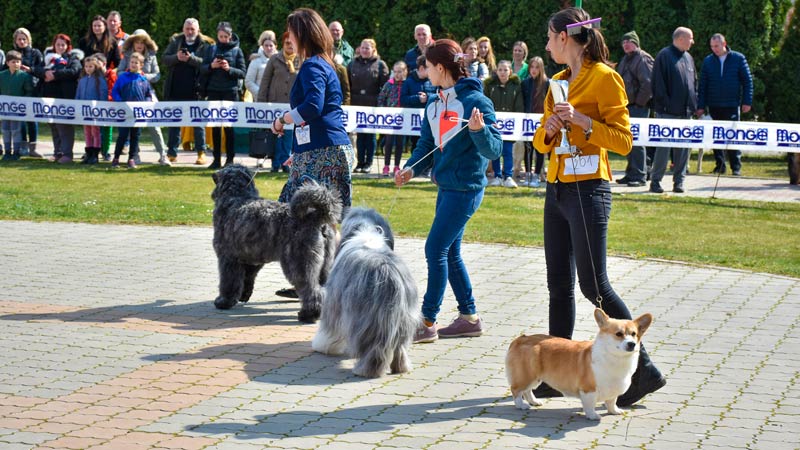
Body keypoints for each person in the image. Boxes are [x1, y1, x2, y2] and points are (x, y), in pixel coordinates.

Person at [532, 7, 666, 406]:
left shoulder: (606, 77)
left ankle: (644, 371)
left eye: (549, 37)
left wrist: (582, 122)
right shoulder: (557, 82)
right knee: (558, 285)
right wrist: (550, 130)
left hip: (590, 190)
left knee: (594, 285)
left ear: (565, 38)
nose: (547, 45)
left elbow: (624, 141)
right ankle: (554, 373)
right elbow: (539, 142)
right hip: (557, 189)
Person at [394, 39, 502, 343]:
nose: (425, 71)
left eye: (428, 66)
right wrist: (410, 169)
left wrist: (479, 131)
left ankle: (427, 321)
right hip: (445, 188)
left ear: (440, 68)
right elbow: (426, 146)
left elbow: (494, 150)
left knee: (435, 249)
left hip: (466, 190)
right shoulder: (433, 104)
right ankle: (470, 318)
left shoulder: (476, 102)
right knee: (450, 252)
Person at [272, 7, 354, 209]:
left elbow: (312, 106)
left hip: (323, 149)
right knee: (324, 217)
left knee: (295, 215)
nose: (288, 38)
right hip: (325, 147)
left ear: (301, 34)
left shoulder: (312, 66)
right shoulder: (324, 64)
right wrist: (301, 152)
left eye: (291, 32)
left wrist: (281, 120)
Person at [697, 33, 753, 176]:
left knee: (732, 136)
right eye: (712, 46)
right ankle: (720, 166)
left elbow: (747, 81)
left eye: (716, 46)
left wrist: (747, 101)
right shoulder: (708, 61)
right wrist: (701, 106)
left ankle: (736, 168)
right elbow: (703, 85)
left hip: (732, 104)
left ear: (724, 44)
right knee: (716, 137)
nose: (714, 49)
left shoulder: (738, 58)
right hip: (714, 105)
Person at [650, 27, 697, 194]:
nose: (692, 42)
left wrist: (694, 104)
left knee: (683, 150)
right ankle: (656, 181)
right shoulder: (664, 56)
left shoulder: (689, 58)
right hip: (667, 113)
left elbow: (694, 83)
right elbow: (658, 84)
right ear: (680, 38)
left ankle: (679, 182)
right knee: (663, 149)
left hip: (686, 113)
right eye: (690, 38)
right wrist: (665, 106)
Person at [163, 18, 215, 164]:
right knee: (174, 123)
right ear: (183, 29)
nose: (190, 32)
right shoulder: (175, 42)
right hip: (175, 88)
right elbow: (165, 59)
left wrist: (190, 59)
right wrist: (177, 57)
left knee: (198, 123)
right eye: (187, 29)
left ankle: (201, 153)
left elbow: (207, 64)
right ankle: (171, 153)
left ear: (198, 30)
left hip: (196, 90)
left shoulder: (205, 44)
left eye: (192, 29)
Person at [118, 29, 171, 166]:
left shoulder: (151, 56)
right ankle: (134, 155)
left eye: (142, 42)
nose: (139, 45)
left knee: (154, 125)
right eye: (137, 42)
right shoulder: (127, 55)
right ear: (132, 43)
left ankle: (163, 155)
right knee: (133, 125)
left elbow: (157, 75)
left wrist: (142, 76)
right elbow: (119, 72)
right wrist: (131, 74)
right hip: (130, 94)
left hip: (147, 93)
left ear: (146, 43)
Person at [199, 21, 246, 169]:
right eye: (221, 36)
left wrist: (229, 68)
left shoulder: (237, 51)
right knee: (215, 127)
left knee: (229, 127)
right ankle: (216, 159)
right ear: (217, 36)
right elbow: (202, 69)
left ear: (230, 36)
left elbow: (242, 73)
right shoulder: (211, 49)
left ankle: (230, 160)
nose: (223, 39)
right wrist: (211, 66)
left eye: (226, 36)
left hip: (230, 92)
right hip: (214, 91)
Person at [257, 32, 303, 173]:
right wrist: (261, 102)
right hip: (275, 103)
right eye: (287, 43)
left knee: (289, 136)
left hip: (293, 104)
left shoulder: (302, 59)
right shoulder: (274, 59)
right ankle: (275, 163)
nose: (289, 45)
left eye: (292, 43)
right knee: (277, 134)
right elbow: (265, 81)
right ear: (282, 44)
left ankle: (286, 163)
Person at [35, 34, 82, 164]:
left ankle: (67, 154)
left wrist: (55, 75)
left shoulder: (73, 58)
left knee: (64, 127)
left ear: (67, 46)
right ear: (54, 45)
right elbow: (37, 69)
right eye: (58, 44)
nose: (60, 47)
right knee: (54, 126)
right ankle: (58, 152)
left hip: (65, 98)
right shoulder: (48, 57)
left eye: (63, 45)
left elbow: (75, 71)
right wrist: (45, 73)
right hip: (49, 97)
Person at [615, 31, 654, 187]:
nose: (626, 44)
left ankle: (640, 175)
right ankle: (631, 173)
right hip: (627, 106)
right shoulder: (626, 59)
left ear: (636, 43)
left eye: (629, 42)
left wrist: (639, 103)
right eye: (623, 42)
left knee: (637, 141)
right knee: (628, 141)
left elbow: (648, 83)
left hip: (638, 108)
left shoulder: (643, 58)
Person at [348, 38, 389, 173]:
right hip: (356, 104)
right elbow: (348, 85)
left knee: (370, 135)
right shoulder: (352, 64)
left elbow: (385, 87)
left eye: (367, 48)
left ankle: (369, 163)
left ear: (373, 49)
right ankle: (360, 163)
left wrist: (381, 104)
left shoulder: (380, 65)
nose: (364, 50)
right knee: (360, 135)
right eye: (363, 47)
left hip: (373, 105)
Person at [111, 52, 153, 169]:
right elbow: (115, 91)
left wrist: (146, 103)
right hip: (124, 113)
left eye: (136, 63)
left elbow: (148, 94)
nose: (133, 64)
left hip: (138, 114)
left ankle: (131, 159)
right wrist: (120, 102)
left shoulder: (143, 80)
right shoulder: (123, 77)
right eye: (132, 62)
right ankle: (116, 158)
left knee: (135, 136)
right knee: (122, 136)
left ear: (141, 65)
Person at [484, 60, 523, 188]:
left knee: (507, 150)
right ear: (496, 71)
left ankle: (508, 176)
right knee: (496, 150)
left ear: (510, 71)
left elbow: (519, 105)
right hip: (494, 123)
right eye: (500, 70)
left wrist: (517, 119)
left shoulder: (515, 86)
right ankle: (497, 176)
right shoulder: (490, 85)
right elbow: (486, 103)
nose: (502, 72)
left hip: (509, 125)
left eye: (505, 70)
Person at [10, 28, 44, 158]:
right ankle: (23, 146)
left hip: (33, 89)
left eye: (24, 39)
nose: (22, 41)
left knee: (32, 119)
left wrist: (30, 70)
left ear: (28, 39)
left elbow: (41, 70)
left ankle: (33, 148)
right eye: (19, 39)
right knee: (21, 119)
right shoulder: (12, 53)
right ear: (15, 40)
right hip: (17, 90)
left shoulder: (36, 53)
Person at [0, 51, 35, 161]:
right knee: (5, 129)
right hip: (5, 109)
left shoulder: (24, 76)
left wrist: (22, 103)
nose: (16, 64)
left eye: (18, 62)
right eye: (13, 62)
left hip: (18, 109)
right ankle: (7, 152)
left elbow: (29, 91)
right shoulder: (2, 75)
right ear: (7, 63)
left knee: (16, 130)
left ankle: (16, 151)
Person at [521, 56, 549, 187]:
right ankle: (528, 174)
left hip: (541, 120)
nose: (534, 70)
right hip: (527, 120)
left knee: (539, 149)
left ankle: (536, 175)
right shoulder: (525, 83)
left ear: (541, 69)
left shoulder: (546, 83)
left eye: (537, 67)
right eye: (532, 67)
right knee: (528, 148)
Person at [74, 55, 107, 165]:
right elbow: (78, 94)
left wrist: (101, 108)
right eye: (86, 66)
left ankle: (95, 154)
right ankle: (88, 153)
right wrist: (77, 106)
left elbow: (103, 95)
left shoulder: (100, 80)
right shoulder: (82, 80)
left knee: (95, 132)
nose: (88, 69)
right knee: (87, 131)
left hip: (95, 111)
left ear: (95, 67)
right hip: (84, 111)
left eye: (91, 66)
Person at [400, 54, 436, 153]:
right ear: (421, 68)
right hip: (413, 122)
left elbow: (438, 95)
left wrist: (427, 97)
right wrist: (417, 99)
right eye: (429, 68)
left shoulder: (433, 81)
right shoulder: (408, 81)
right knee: (416, 145)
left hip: (430, 120)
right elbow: (403, 99)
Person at [378, 61, 408, 176]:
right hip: (390, 119)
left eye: (399, 72)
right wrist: (383, 111)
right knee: (389, 142)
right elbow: (381, 98)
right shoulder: (389, 84)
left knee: (400, 143)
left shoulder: (407, 84)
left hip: (403, 119)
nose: (397, 74)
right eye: (395, 71)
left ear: (405, 72)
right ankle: (386, 166)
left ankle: (397, 166)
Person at [245, 32, 277, 100]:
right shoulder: (255, 61)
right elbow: (248, 81)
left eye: (271, 45)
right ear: (262, 46)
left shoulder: (281, 60)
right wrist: (260, 93)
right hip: (261, 100)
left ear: (275, 46)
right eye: (266, 45)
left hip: (277, 99)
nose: (268, 48)